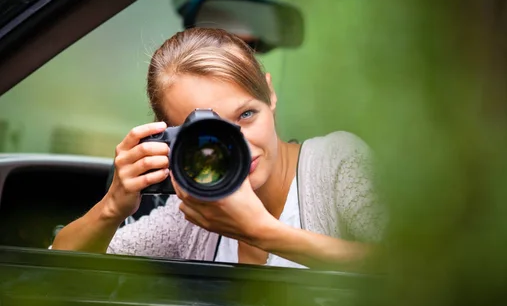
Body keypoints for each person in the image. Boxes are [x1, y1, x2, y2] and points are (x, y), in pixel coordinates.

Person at [51, 27, 384, 269]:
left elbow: (417, 278)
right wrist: (112, 207)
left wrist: (261, 232)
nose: (237, 144)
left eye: (247, 115)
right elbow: (54, 270)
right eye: (209, 133)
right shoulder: (190, 219)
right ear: (173, 140)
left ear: (269, 94)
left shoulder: (335, 163)